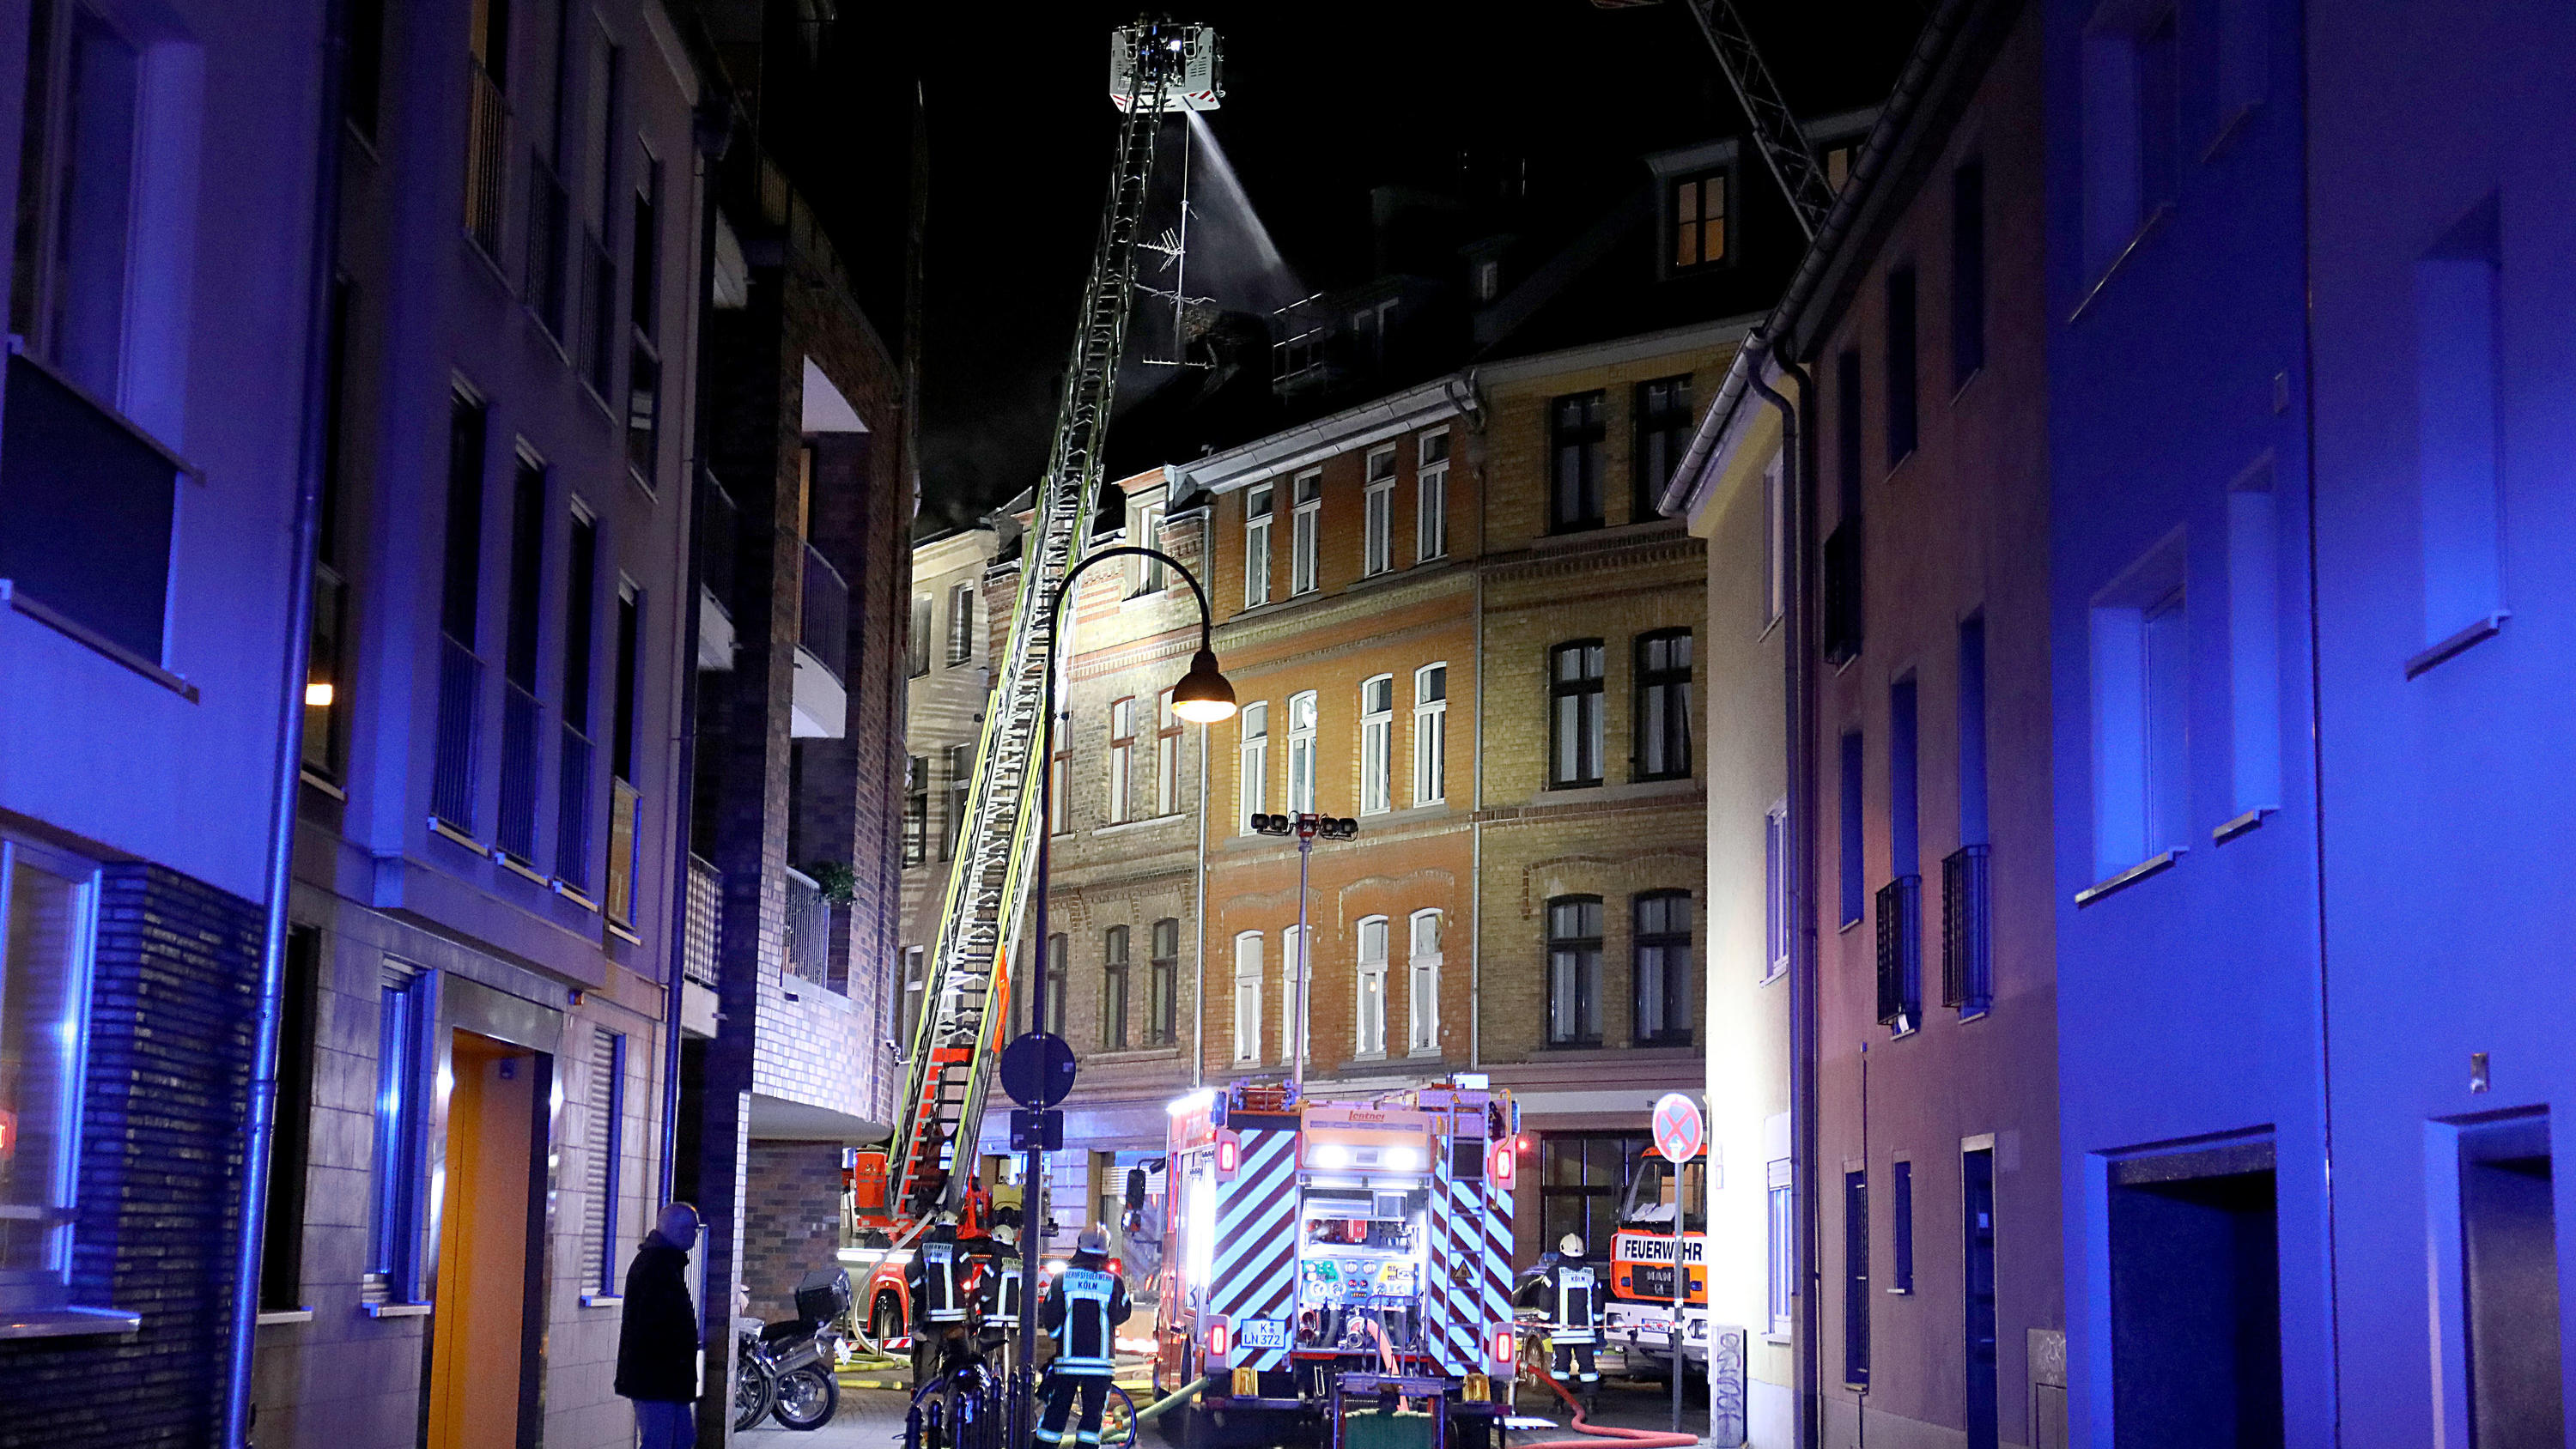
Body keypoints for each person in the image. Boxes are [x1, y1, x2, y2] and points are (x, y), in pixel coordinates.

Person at [617, 1203, 703, 1449]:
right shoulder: (657, 1268)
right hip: (657, 1378)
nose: (695, 1235)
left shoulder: (661, 1264)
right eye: (692, 1229)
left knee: (678, 1440)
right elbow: (659, 1327)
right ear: (677, 1230)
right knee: (663, 1442)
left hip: (663, 1378)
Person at [1037, 1224, 1130, 1449]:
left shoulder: (1063, 1277)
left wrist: (1061, 1337)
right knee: (1091, 1421)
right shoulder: (1113, 1281)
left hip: (1068, 1362)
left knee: (1056, 1415)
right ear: (1106, 1248)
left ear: (1079, 1245)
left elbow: (1049, 1315)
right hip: (1100, 1365)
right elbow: (1122, 1313)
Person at [1519, 1233, 1601, 1408]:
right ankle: (1591, 1402)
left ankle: (1559, 1403)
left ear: (1562, 1252)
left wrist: (1544, 1323)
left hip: (1561, 1334)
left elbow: (1546, 1301)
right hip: (1586, 1334)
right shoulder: (1591, 1273)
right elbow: (1597, 1301)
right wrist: (1597, 1324)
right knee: (1588, 1369)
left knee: (1560, 1369)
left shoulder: (1553, 1274)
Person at [907, 1210, 973, 1385]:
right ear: (953, 1228)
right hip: (955, 1314)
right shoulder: (959, 1249)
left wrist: (920, 1293)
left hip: (933, 1312)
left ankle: (924, 1387)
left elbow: (911, 1271)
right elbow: (967, 1274)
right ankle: (962, 1384)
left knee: (929, 1349)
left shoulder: (925, 1248)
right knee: (961, 1351)